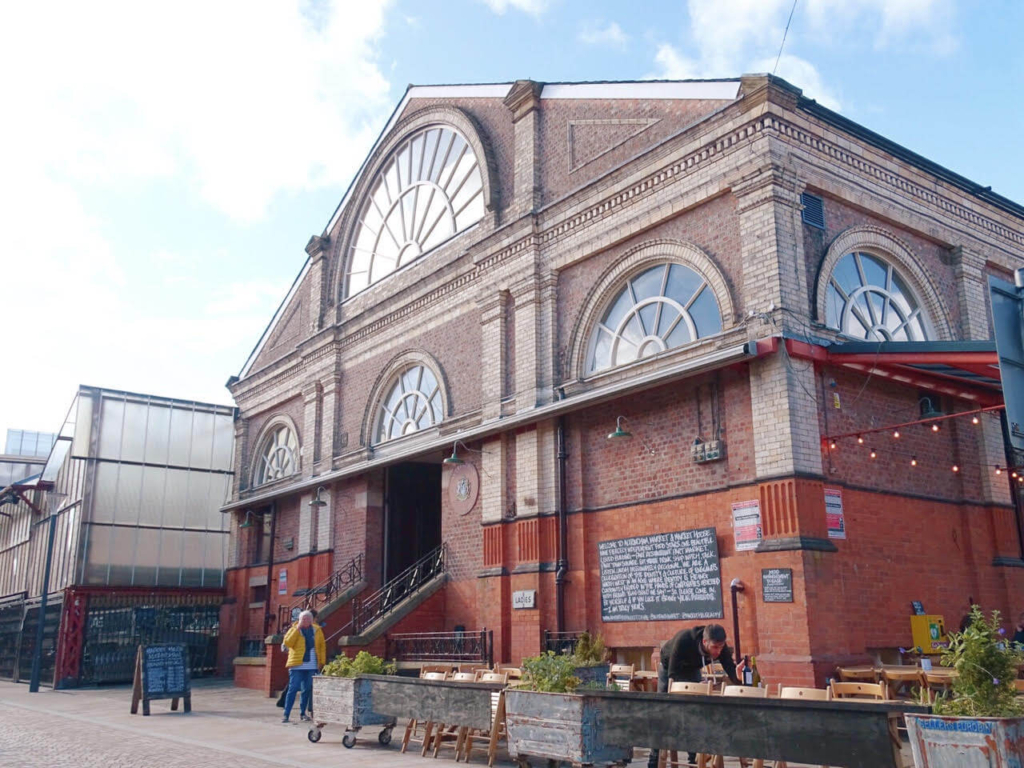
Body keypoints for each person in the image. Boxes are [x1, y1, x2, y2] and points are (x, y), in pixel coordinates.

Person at [647, 624, 747, 768]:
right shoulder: (684, 640)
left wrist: (738, 677)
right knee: (662, 713)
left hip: (693, 669)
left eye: (721, 647)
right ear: (705, 642)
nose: (718, 651)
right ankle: (653, 759)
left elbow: (731, 670)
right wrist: (693, 687)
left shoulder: (720, 646)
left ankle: (693, 758)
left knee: (695, 712)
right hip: (669, 668)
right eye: (714, 647)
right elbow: (673, 675)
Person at [282, 610, 326, 723]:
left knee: (306, 689)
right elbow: (288, 643)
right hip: (297, 665)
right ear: (299, 620)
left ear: (311, 620)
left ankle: (303, 713)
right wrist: (297, 629)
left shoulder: (317, 630)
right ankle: (286, 714)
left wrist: (322, 662)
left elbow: (322, 646)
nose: (305, 621)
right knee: (293, 689)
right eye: (303, 619)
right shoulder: (294, 629)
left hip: (312, 665)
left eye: (308, 619)